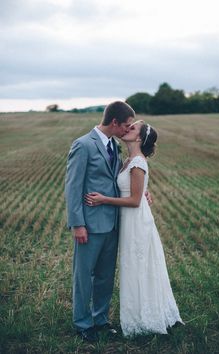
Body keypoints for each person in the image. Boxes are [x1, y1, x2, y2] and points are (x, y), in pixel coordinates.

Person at [85, 120, 184, 337]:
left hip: (136, 220)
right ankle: (139, 313)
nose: (127, 128)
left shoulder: (137, 162)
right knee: (133, 266)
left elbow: (134, 201)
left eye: (133, 128)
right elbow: (133, 190)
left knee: (138, 266)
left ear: (138, 138)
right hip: (128, 220)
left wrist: (103, 199)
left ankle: (144, 318)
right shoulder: (128, 159)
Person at [65, 101, 135, 342]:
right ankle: (83, 323)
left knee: (105, 276)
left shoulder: (114, 145)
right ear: (114, 122)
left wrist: (141, 192)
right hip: (89, 224)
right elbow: (73, 187)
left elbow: (118, 181)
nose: (128, 130)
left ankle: (101, 319)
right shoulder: (83, 145)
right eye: (126, 125)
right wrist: (77, 224)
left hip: (113, 223)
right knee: (83, 275)